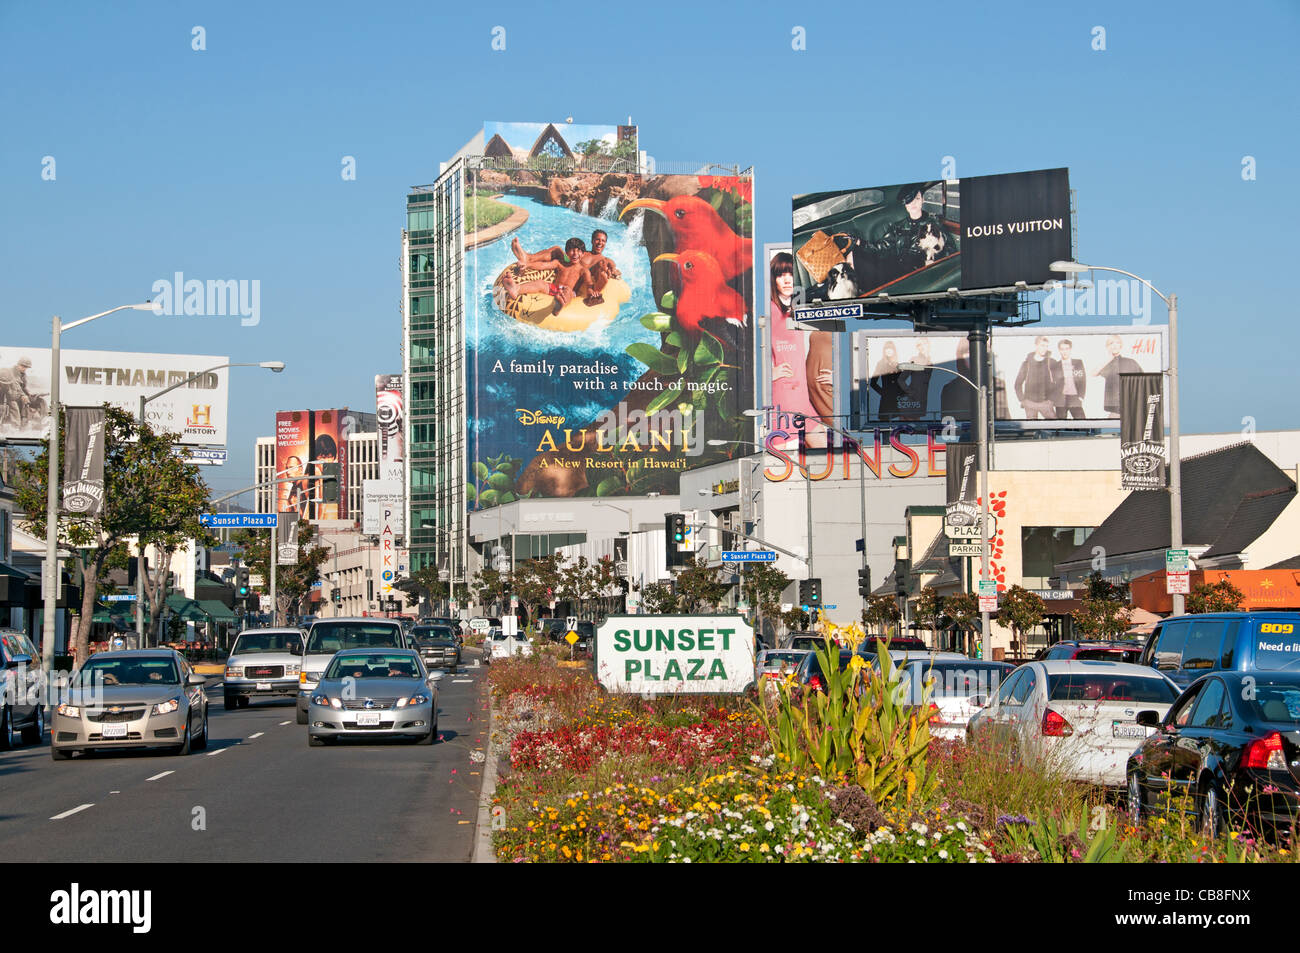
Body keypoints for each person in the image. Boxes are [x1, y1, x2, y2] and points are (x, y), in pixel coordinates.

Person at [845, 183, 957, 288]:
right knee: (855, 255)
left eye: (917, 199)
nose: (913, 204)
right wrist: (860, 242)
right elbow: (883, 246)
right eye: (909, 201)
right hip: (897, 269)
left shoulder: (934, 224)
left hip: (922, 272)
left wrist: (933, 260)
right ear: (905, 204)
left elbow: (950, 251)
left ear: (923, 200)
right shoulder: (898, 227)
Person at [768, 252, 825, 449]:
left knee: (830, 457)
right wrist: (769, 373)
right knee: (787, 470)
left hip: (803, 397)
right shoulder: (769, 310)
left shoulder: (798, 306)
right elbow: (750, 351)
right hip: (784, 398)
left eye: (791, 274)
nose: (786, 280)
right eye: (780, 274)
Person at [501, 239, 597, 313]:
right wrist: (528, 265)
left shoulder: (583, 271)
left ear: (583, 254)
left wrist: (591, 292)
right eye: (572, 250)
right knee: (540, 283)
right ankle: (516, 289)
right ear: (566, 253)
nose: (575, 254)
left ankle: (559, 306)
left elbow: (589, 283)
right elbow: (543, 265)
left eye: (579, 251)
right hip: (554, 288)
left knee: (568, 292)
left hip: (569, 291)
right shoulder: (560, 263)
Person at [1094, 334, 1142, 417]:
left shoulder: (1131, 362)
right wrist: (1109, 358)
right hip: (1114, 407)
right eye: (1111, 343)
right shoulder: (1107, 364)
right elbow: (1093, 373)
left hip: (1130, 405)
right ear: (1107, 347)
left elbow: (1143, 381)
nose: (1114, 345)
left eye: (1117, 342)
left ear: (1121, 345)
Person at [1014, 335, 1059, 419]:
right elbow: (1017, 384)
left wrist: (1051, 400)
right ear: (1036, 346)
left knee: (1055, 426)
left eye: (1046, 346)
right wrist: (1023, 401)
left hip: (1046, 403)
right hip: (1030, 403)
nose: (1044, 348)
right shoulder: (1026, 364)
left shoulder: (1051, 362)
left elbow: (1058, 383)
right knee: (1032, 429)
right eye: (1042, 345)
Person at [869, 341, 905, 421]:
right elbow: (873, 383)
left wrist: (903, 394)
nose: (888, 350)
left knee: (899, 426)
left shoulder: (898, 365)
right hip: (886, 401)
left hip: (897, 401)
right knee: (885, 426)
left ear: (894, 350)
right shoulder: (881, 364)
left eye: (890, 348)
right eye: (886, 348)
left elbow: (901, 382)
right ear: (884, 351)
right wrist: (883, 393)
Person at [1052, 339, 1087, 419]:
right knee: (1061, 425)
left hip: (1074, 397)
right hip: (1060, 399)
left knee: (1082, 422)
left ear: (1070, 349)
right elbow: (1052, 383)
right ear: (1059, 350)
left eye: (1067, 349)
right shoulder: (1056, 365)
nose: (1065, 351)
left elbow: (1082, 380)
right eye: (1062, 349)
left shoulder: (1078, 362)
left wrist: (1081, 396)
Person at [0, 357, 34, 431]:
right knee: (14, 406)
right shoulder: (10, 372)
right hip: (7, 394)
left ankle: (23, 425)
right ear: (18, 364)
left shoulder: (23, 375)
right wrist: (23, 395)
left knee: (26, 405)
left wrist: (28, 393)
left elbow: (24, 386)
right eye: (23, 366)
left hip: (16, 394)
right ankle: (15, 427)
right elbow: (15, 385)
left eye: (26, 367)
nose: (24, 368)